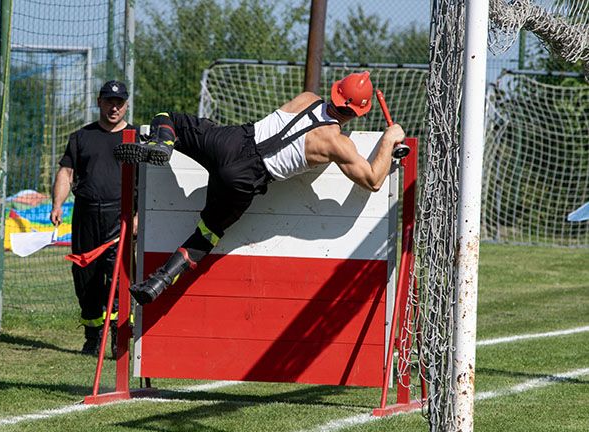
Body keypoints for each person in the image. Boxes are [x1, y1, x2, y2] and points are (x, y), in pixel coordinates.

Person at [115, 70, 405, 306]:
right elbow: (373, 180)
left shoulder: (306, 98)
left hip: (233, 141)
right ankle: (160, 281)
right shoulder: (337, 144)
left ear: (334, 91)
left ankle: (164, 143)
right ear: (358, 113)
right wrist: (390, 137)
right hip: (246, 180)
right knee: (208, 233)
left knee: (170, 118)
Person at [51, 80, 137, 355]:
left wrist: (137, 217)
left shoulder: (137, 138)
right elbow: (66, 173)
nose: (114, 108)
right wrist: (57, 204)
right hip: (86, 214)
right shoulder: (81, 137)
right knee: (85, 275)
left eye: (119, 103)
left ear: (126, 105)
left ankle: (118, 336)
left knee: (118, 276)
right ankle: (93, 335)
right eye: (109, 102)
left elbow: (149, 182)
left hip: (121, 215)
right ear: (99, 102)